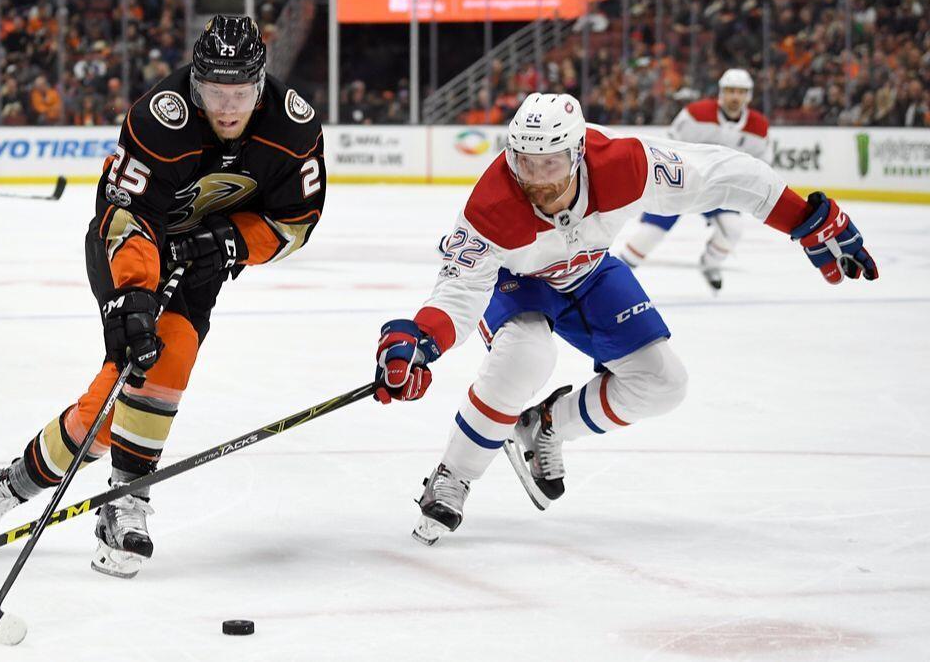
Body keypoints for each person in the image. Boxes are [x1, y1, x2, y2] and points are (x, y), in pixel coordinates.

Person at [372, 92, 878, 546]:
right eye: (524, 164)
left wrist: (804, 220)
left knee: (664, 383)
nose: (536, 181)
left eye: (550, 166)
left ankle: (548, 424)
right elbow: (459, 292)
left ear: (577, 155)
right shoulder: (492, 207)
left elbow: (732, 174)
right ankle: (453, 475)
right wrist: (421, 339)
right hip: (517, 281)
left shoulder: (626, 165)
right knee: (526, 355)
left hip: (590, 271)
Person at [0, 16, 326, 579]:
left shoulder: (293, 127)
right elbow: (127, 216)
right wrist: (132, 299)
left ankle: (71, 492)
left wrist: (229, 241)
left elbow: (297, 222)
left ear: (261, 85)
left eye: (240, 93)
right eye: (215, 92)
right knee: (137, 361)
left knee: (134, 384)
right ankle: (99, 495)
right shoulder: (161, 116)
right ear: (196, 85)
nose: (227, 107)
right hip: (130, 243)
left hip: (205, 256)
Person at [619, 69, 772, 292]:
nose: (735, 97)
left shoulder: (759, 127)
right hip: (679, 183)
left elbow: (761, 167)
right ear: (721, 92)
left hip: (719, 191)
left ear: (748, 95)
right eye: (730, 91)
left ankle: (710, 264)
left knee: (733, 228)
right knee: (648, 235)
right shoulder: (695, 113)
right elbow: (666, 146)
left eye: (740, 92)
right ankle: (616, 275)